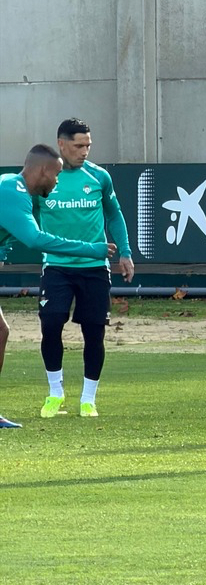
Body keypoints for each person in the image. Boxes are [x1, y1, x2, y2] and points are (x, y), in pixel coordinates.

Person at [1, 144, 116, 427]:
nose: (57, 182)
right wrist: (93, 249)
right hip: (76, 259)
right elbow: (36, 240)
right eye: (56, 176)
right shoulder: (13, 193)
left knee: (0, 332)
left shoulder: (12, 188)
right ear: (43, 171)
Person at [35, 118, 134, 419]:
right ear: (61, 144)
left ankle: (88, 399)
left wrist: (126, 253)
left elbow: (114, 215)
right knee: (51, 323)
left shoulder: (99, 177)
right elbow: (23, 216)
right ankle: (55, 393)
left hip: (94, 268)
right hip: (56, 267)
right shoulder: (43, 178)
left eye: (88, 145)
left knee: (94, 333)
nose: (85, 151)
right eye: (78, 146)